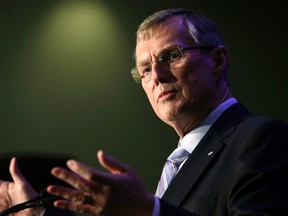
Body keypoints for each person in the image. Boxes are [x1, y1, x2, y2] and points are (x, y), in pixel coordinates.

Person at [1, 7, 288, 216]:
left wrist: (148, 210)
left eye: (171, 56)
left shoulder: (261, 139)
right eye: (145, 69)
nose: (157, 76)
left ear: (217, 60)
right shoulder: (179, 162)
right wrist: (36, 215)